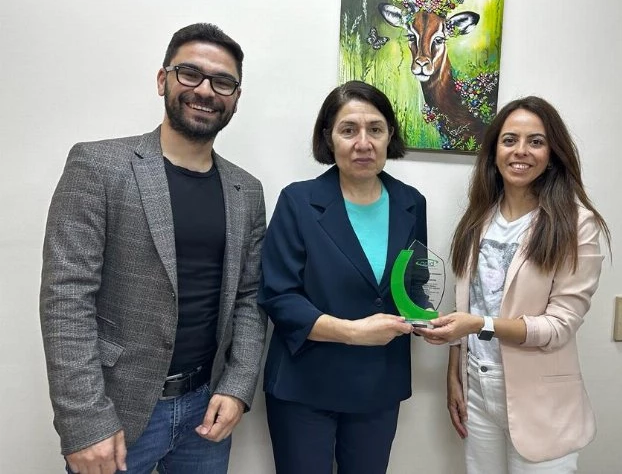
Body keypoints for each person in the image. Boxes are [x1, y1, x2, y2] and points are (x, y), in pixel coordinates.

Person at [39, 23, 267, 474]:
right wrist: (84, 422)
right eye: (190, 74)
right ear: (163, 80)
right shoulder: (98, 166)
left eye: (222, 82)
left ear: (236, 98)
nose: (205, 90)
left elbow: (249, 298)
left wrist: (238, 386)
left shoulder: (247, 190)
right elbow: (66, 299)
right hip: (115, 412)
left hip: (206, 409)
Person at [418, 96, 611, 473]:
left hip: (541, 402)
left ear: (552, 154)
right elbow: (467, 305)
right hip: (477, 389)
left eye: (536, 141)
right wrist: (454, 373)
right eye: (509, 140)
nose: (521, 151)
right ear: (494, 152)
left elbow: (558, 326)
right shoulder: (478, 218)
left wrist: (480, 325)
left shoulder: (577, 225)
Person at [257, 80, 427, 474]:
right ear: (328, 138)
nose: (363, 143)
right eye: (349, 130)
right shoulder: (298, 201)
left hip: (380, 385)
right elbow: (279, 296)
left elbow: (413, 282)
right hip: (304, 384)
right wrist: (353, 332)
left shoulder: (411, 202)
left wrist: (425, 320)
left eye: (375, 129)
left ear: (389, 136)